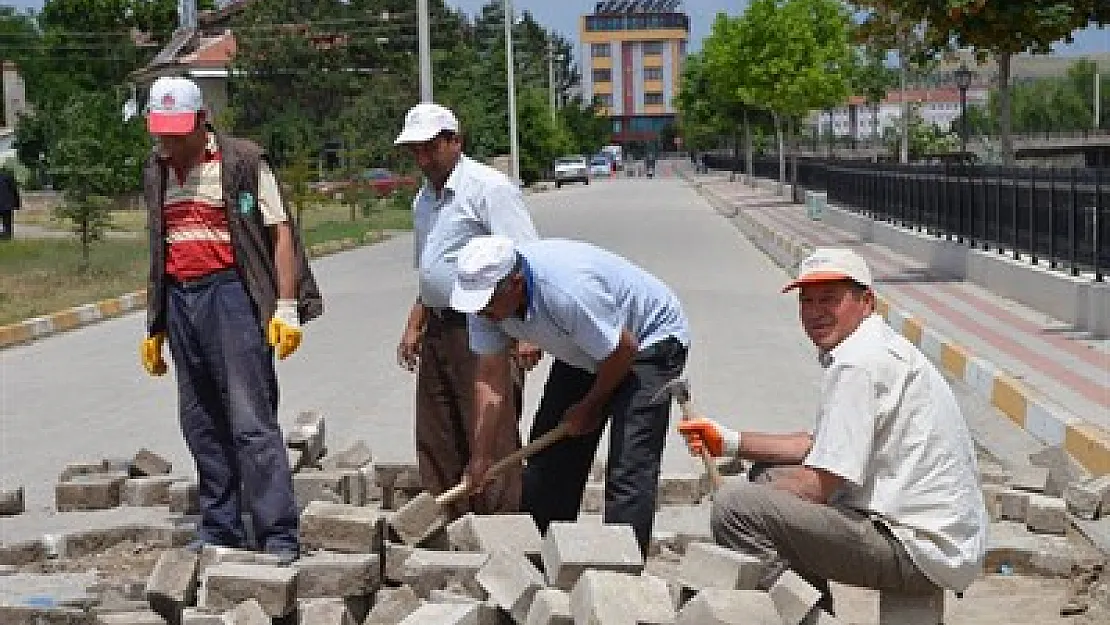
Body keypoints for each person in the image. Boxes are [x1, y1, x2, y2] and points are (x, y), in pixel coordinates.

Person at [678, 248, 987, 611]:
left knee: (735, 507)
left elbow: (818, 486)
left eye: (829, 299)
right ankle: (812, 608)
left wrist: (754, 500)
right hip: (939, 541)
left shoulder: (858, 364)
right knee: (766, 479)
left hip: (915, 547)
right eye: (807, 301)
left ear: (866, 301)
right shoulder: (874, 346)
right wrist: (728, 441)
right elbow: (816, 445)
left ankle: (807, 615)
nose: (815, 312)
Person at [138, 76, 322, 564]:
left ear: (202, 121)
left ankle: (278, 533)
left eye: (178, 132)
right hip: (181, 298)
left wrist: (285, 307)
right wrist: (155, 321)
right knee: (199, 420)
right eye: (161, 133)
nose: (169, 143)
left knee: (250, 419)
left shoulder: (243, 162)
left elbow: (280, 232)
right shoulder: (156, 169)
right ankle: (220, 527)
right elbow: (159, 244)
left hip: (232, 295)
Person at [450, 235, 690, 555]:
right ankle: (541, 560)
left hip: (650, 341)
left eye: (488, 304)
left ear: (516, 284)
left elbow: (624, 349)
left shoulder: (567, 292)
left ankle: (621, 574)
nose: (481, 314)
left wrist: (591, 405)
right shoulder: (485, 304)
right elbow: (491, 380)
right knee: (550, 456)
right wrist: (481, 456)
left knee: (629, 466)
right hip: (588, 346)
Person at [393, 102, 541, 519]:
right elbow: (430, 269)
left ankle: (501, 533)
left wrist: (526, 333)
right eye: (415, 151)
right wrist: (416, 323)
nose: (423, 159)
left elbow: (526, 257)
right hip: (440, 328)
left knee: (487, 432)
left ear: (455, 141)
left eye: (431, 148)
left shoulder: (488, 188)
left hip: (485, 323)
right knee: (438, 431)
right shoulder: (424, 199)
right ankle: (448, 528)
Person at [0, 167, 20, 240]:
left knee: (7, 221)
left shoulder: (8, 177)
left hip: (6, 203)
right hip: (7, 204)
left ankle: (5, 235)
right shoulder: (9, 177)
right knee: (7, 222)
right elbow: (14, 191)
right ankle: (7, 236)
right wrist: (17, 204)